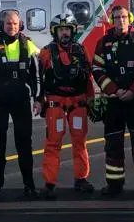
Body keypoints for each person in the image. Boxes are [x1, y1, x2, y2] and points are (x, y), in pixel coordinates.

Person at [0, 9, 43, 200]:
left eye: (14, 23)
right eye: (8, 23)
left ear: (20, 24)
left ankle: (29, 185)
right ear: (2, 25)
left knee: (24, 144)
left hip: (21, 101)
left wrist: (38, 99)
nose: (11, 27)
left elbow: (37, 75)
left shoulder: (28, 45)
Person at [91, 4, 134, 197]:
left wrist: (133, 90)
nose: (121, 21)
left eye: (124, 17)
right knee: (112, 144)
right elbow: (97, 69)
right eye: (117, 17)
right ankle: (114, 184)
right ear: (112, 20)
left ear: (130, 19)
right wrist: (115, 90)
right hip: (114, 101)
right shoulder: (104, 42)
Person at [38, 13, 96, 199]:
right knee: (53, 143)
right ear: (55, 32)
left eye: (67, 30)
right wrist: (40, 101)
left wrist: (91, 99)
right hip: (56, 104)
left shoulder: (81, 50)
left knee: (80, 142)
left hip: (78, 103)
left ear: (73, 31)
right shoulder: (46, 52)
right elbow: (39, 79)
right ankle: (49, 183)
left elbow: (88, 77)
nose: (65, 33)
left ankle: (81, 179)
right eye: (61, 30)